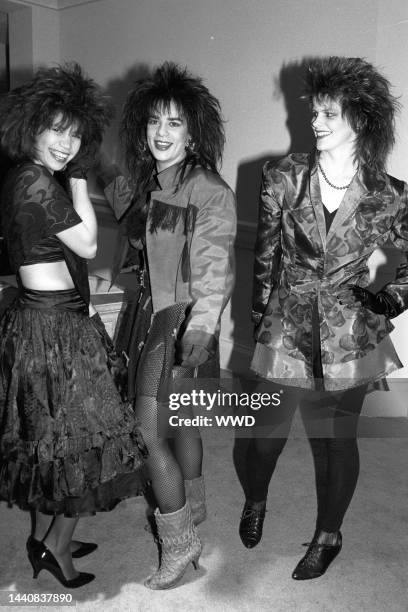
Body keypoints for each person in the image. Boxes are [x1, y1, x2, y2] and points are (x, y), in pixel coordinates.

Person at [240, 56, 408, 579]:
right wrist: (258, 323)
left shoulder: (389, 194)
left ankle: (328, 534)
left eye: (330, 114)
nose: (316, 122)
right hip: (286, 322)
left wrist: (390, 298)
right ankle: (257, 499)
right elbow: (265, 257)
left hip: (349, 331)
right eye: (315, 111)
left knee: (338, 439)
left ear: (360, 120)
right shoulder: (283, 177)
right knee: (264, 434)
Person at [0, 64, 147, 589]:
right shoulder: (37, 180)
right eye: (56, 130)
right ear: (31, 128)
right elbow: (87, 244)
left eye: (76, 134)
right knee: (81, 446)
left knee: (50, 443)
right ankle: (56, 550)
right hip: (53, 330)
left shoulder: (26, 176)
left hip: (44, 319)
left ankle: (43, 540)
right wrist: (82, 175)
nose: (66, 143)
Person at [99, 62, 236, 589]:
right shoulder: (159, 182)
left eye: (175, 123)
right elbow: (138, 227)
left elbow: (214, 267)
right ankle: (192, 509)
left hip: (179, 324)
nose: (162, 132)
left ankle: (180, 545)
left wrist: (194, 338)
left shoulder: (206, 188)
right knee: (182, 426)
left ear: (194, 131)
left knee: (146, 433)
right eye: (155, 121)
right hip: (157, 317)